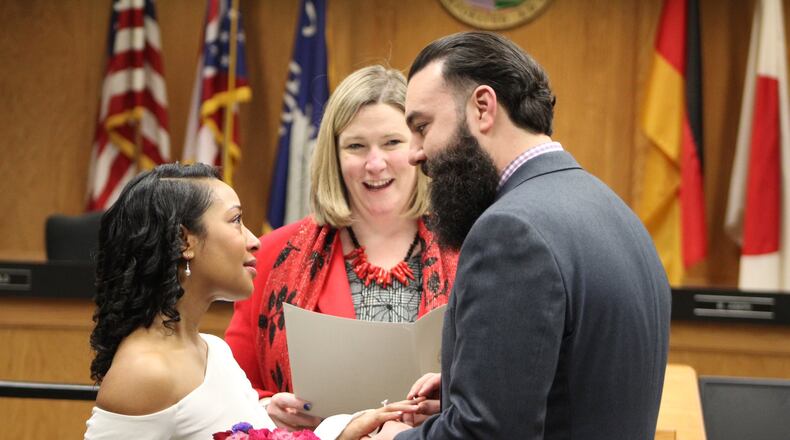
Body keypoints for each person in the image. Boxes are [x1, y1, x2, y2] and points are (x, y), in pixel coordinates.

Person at [376, 31, 672, 439]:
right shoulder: (615, 211)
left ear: (482, 107)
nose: (413, 152)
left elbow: (486, 435)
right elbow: (583, 381)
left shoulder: (510, 232)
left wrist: (392, 437)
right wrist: (469, 385)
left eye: (423, 126)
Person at [84, 163, 418, 440]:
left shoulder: (214, 350)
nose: (254, 241)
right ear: (184, 240)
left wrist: (347, 430)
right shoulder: (145, 370)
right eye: (235, 221)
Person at [225, 65, 459, 431]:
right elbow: (232, 388)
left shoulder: (468, 248)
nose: (375, 163)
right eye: (356, 146)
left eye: (392, 142)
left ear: (417, 148)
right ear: (333, 156)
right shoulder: (273, 254)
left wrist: (449, 404)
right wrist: (268, 406)